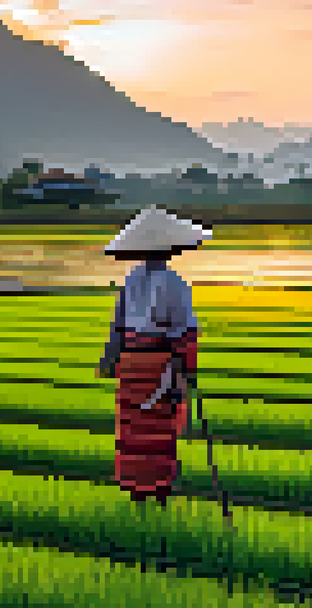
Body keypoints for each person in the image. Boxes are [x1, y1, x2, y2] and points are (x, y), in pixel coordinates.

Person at [96, 206, 211, 504]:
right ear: (171, 247)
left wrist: (109, 361)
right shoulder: (174, 282)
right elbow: (184, 333)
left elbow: (118, 327)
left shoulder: (132, 279)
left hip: (133, 366)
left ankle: (137, 493)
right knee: (160, 432)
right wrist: (189, 371)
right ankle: (159, 494)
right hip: (161, 366)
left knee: (135, 430)